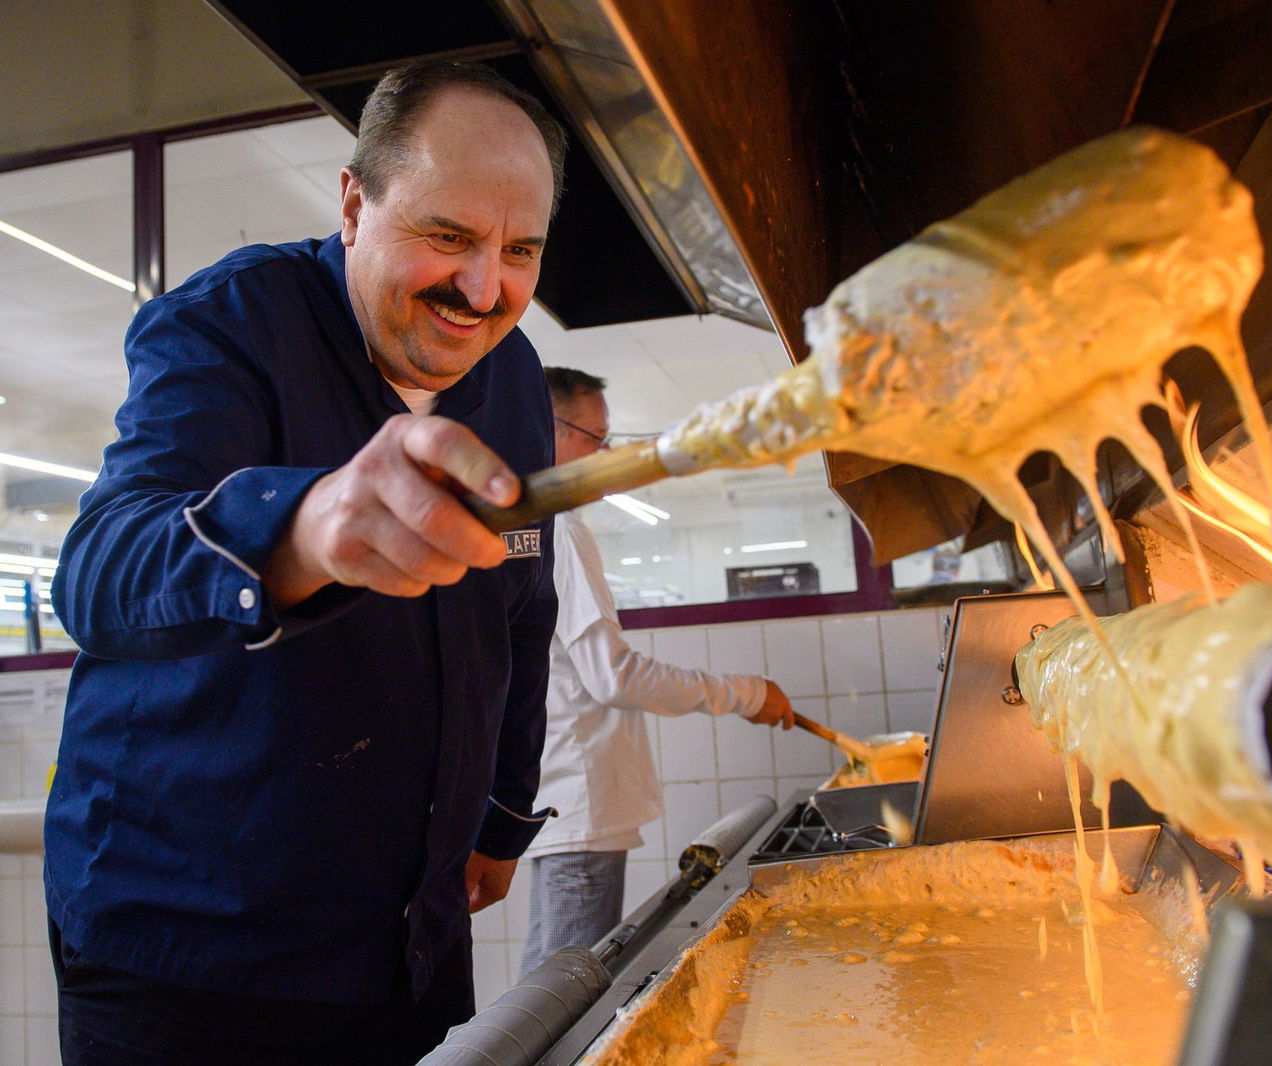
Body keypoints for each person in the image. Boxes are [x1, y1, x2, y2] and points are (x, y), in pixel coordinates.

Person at [44, 60, 569, 1066]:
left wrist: (502, 813)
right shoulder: (229, 324)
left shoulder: (511, 375)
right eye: (448, 235)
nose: (483, 287)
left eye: (520, 250)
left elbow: (520, 611)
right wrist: (305, 526)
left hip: (394, 942)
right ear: (352, 201)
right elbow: (99, 573)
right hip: (187, 953)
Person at [519, 367, 795, 975]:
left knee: (558, 988)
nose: (606, 455)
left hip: (579, 800)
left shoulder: (552, 530)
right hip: (580, 802)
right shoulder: (560, 530)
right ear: (551, 428)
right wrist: (745, 695)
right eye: (596, 437)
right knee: (556, 996)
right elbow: (611, 676)